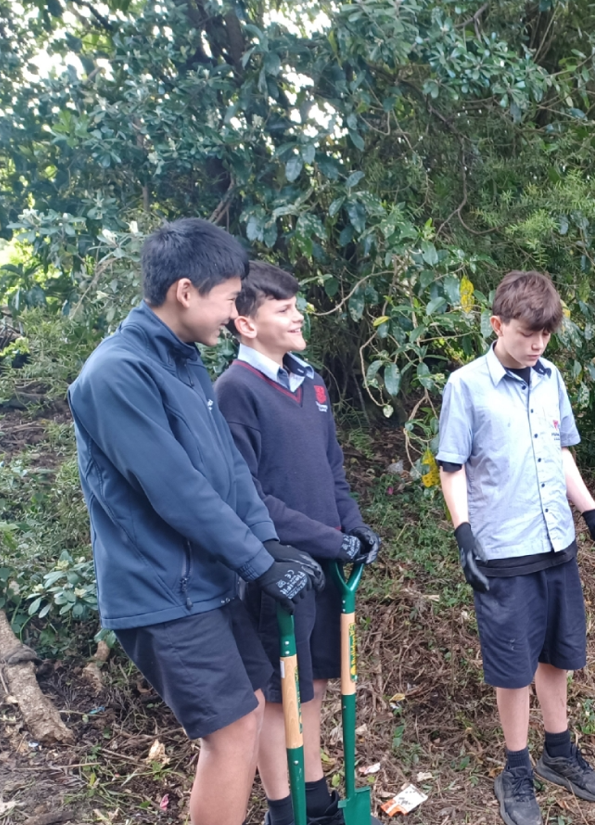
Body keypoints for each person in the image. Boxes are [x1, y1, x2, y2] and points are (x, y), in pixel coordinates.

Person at [68, 219, 324, 825]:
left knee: (254, 702)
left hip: (207, 583)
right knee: (233, 728)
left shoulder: (183, 362)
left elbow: (230, 471)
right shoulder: (116, 375)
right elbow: (176, 492)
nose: (235, 314)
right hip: (162, 591)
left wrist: (268, 543)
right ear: (186, 290)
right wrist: (258, 563)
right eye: (231, 299)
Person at [435, 270, 595, 825]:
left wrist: (591, 513)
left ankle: (558, 751)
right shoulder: (466, 385)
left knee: (556, 655)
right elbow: (451, 468)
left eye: (546, 334)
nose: (537, 344)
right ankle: (515, 767)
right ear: (497, 325)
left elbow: (562, 454)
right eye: (526, 333)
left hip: (555, 544)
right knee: (513, 666)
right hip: (503, 551)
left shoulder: (551, 378)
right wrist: (463, 534)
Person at [214, 262, 383, 825]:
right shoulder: (235, 391)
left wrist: (353, 528)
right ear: (244, 322)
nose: (297, 315)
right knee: (274, 687)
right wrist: (332, 539)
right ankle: (283, 808)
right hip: (273, 569)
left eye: (296, 305)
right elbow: (251, 498)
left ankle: (314, 795)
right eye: (282, 309)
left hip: (323, 566)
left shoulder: (310, 381)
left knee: (308, 682)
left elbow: (332, 473)